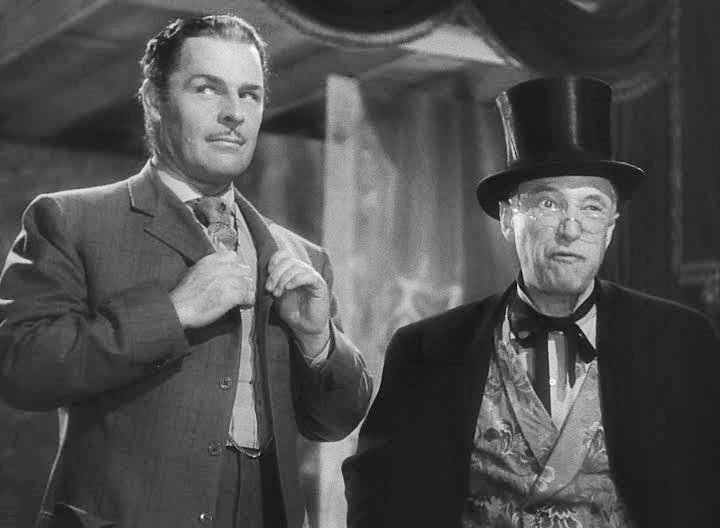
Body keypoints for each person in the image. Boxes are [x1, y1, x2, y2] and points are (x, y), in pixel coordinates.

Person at [0, 14, 371, 528]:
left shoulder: (302, 256)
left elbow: (335, 421)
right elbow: (22, 368)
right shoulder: (69, 219)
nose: (234, 113)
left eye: (250, 94)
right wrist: (172, 312)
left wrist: (317, 341)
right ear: (155, 101)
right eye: (207, 89)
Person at [342, 76, 718, 527]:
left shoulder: (680, 340)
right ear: (508, 218)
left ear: (611, 228)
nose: (571, 229)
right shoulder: (427, 351)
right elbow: (377, 501)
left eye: (592, 207)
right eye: (548, 204)